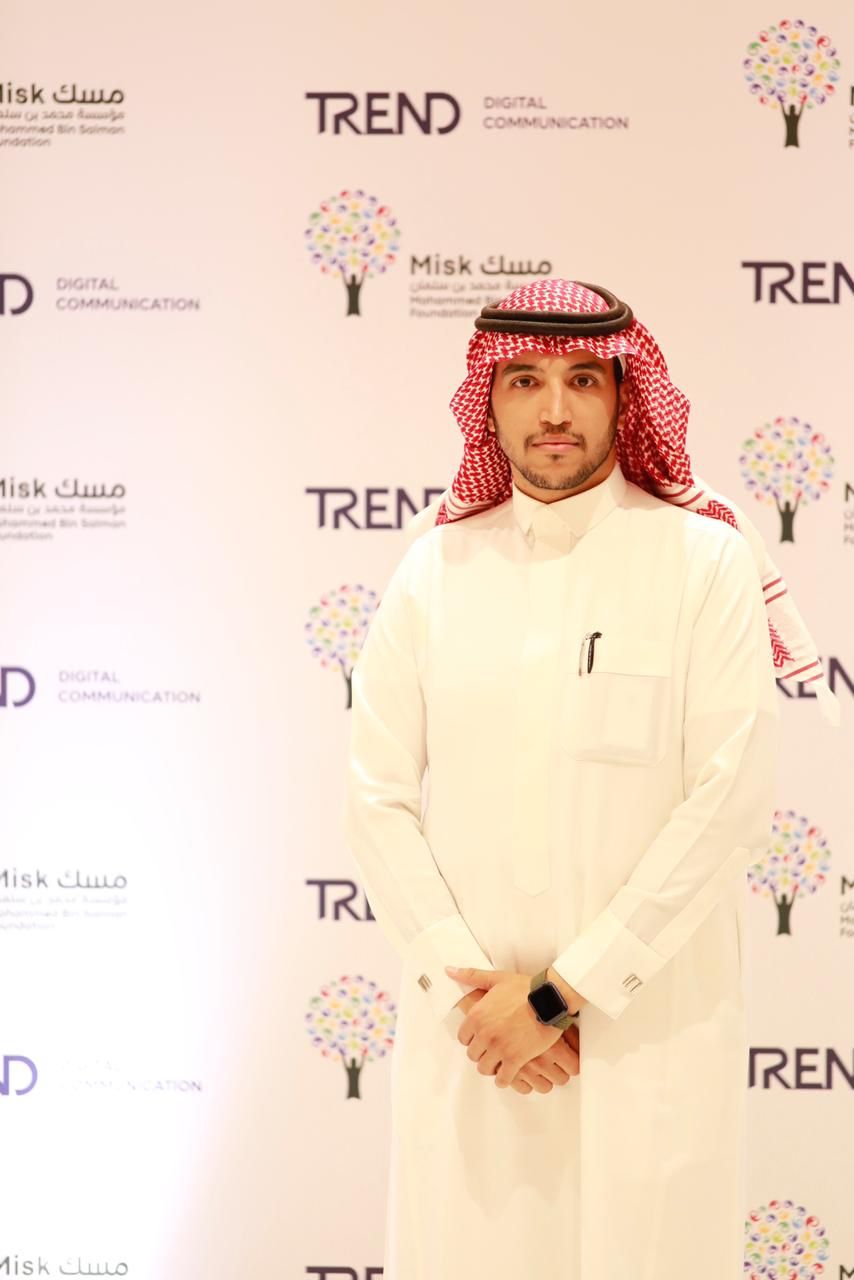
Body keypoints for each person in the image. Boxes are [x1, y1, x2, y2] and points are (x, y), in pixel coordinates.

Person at [342, 279, 837, 1280]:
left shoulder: (703, 562)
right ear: (488, 402)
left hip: (647, 1031)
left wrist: (558, 997)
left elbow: (728, 798)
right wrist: (472, 999)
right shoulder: (434, 571)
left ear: (624, 395)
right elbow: (375, 798)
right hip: (474, 1041)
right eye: (524, 380)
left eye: (582, 379)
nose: (554, 409)